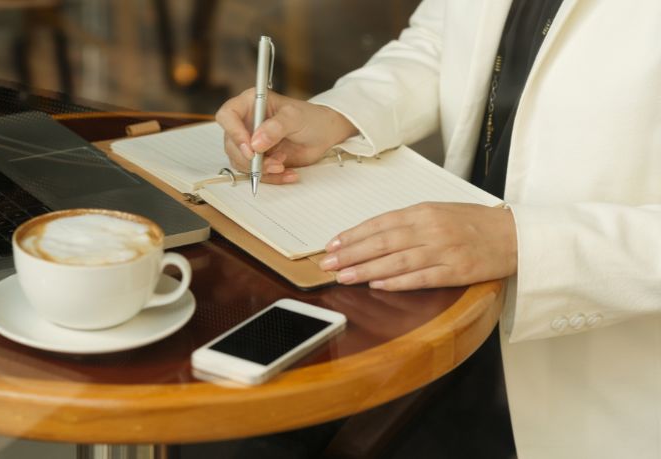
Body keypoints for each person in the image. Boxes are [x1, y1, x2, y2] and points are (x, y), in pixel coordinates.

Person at [215, 1, 661, 458]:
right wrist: (337, 115)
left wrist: (521, 242)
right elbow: (438, 43)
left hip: (602, 382)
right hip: (448, 318)